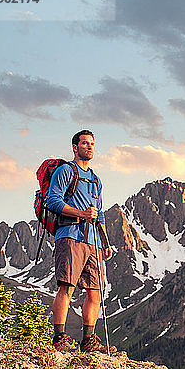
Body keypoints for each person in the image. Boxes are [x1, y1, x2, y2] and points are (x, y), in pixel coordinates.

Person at [46, 129, 113, 353]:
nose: (89, 147)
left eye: (92, 144)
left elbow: (99, 212)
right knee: (67, 287)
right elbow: (52, 201)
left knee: (95, 291)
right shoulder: (66, 171)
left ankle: (89, 339)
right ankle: (59, 337)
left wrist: (105, 241)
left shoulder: (96, 179)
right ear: (75, 147)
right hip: (70, 236)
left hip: (93, 241)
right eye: (84, 143)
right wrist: (81, 214)